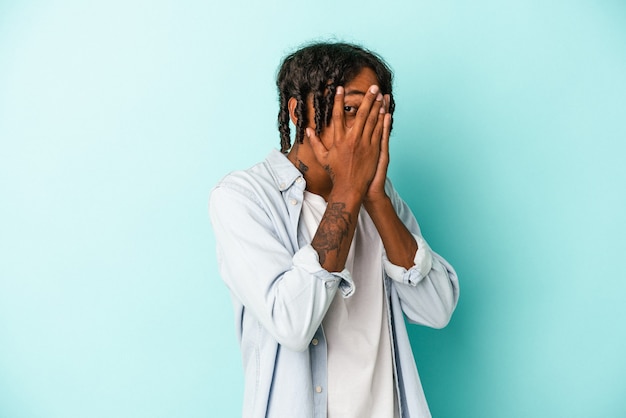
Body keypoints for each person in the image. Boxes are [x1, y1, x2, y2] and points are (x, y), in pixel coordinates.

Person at [209, 42, 460, 418]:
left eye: (376, 112)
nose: (362, 128)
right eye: (348, 109)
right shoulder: (243, 197)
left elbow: (437, 308)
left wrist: (373, 197)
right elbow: (292, 323)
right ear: (297, 111)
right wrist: (348, 191)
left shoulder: (380, 195)